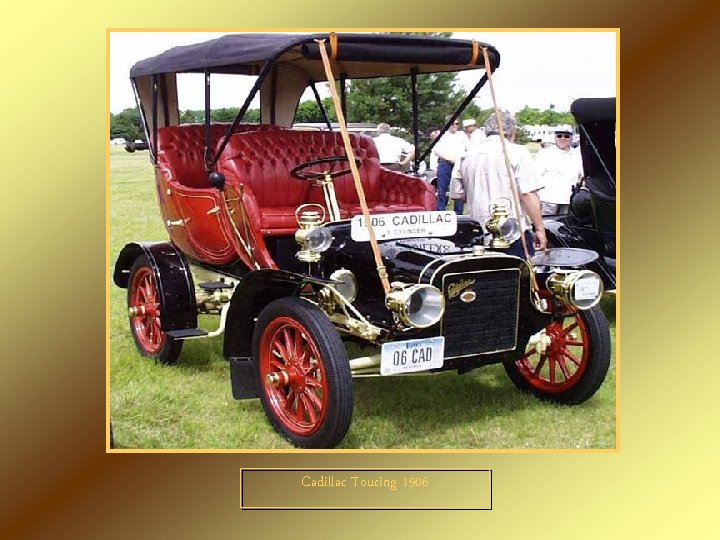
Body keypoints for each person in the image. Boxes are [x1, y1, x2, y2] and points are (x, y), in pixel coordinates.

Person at [456, 111, 547, 258]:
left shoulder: (467, 155)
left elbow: (457, 193)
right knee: (519, 276)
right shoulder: (518, 152)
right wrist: (540, 229)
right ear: (511, 132)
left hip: (478, 232)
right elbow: (527, 193)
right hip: (512, 233)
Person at [535, 124, 583, 215]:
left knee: (565, 225)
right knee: (547, 225)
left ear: (572, 138)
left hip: (569, 201)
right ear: (555, 138)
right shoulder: (544, 154)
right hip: (548, 201)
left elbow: (582, 175)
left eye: (566, 136)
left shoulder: (577, 155)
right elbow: (536, 177)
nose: (562, 138)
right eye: (559, 136)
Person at [433, 119, 469, 214]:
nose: (454, 126)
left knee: (458, 189)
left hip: (458, 165)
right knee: (442, 189)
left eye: (457, 124)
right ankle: (441, 211)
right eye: (452, 124)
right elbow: (436, 150)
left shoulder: (462, 135)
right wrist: (449, 158)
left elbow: (468, 148)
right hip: (445, 164)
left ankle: (458, 213)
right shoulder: (442, 135)